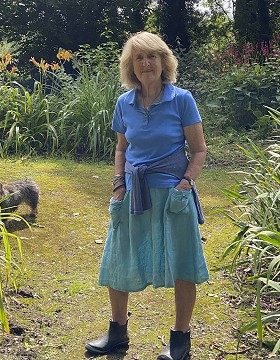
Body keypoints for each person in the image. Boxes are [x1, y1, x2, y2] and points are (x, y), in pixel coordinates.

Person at [85, 31, 209, 360]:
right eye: (138, 58)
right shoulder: (124, 103)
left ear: (164, 61)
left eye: (152, 56)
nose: (145, 63)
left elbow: (198, 151)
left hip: (173, 196)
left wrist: (184, 185)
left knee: (182, 263)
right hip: (131, 194)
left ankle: (180, 340)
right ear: (131, 66)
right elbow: (121, 149)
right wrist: (117, 185)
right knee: (117, 260)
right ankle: (117, 334)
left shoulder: (182, 99)